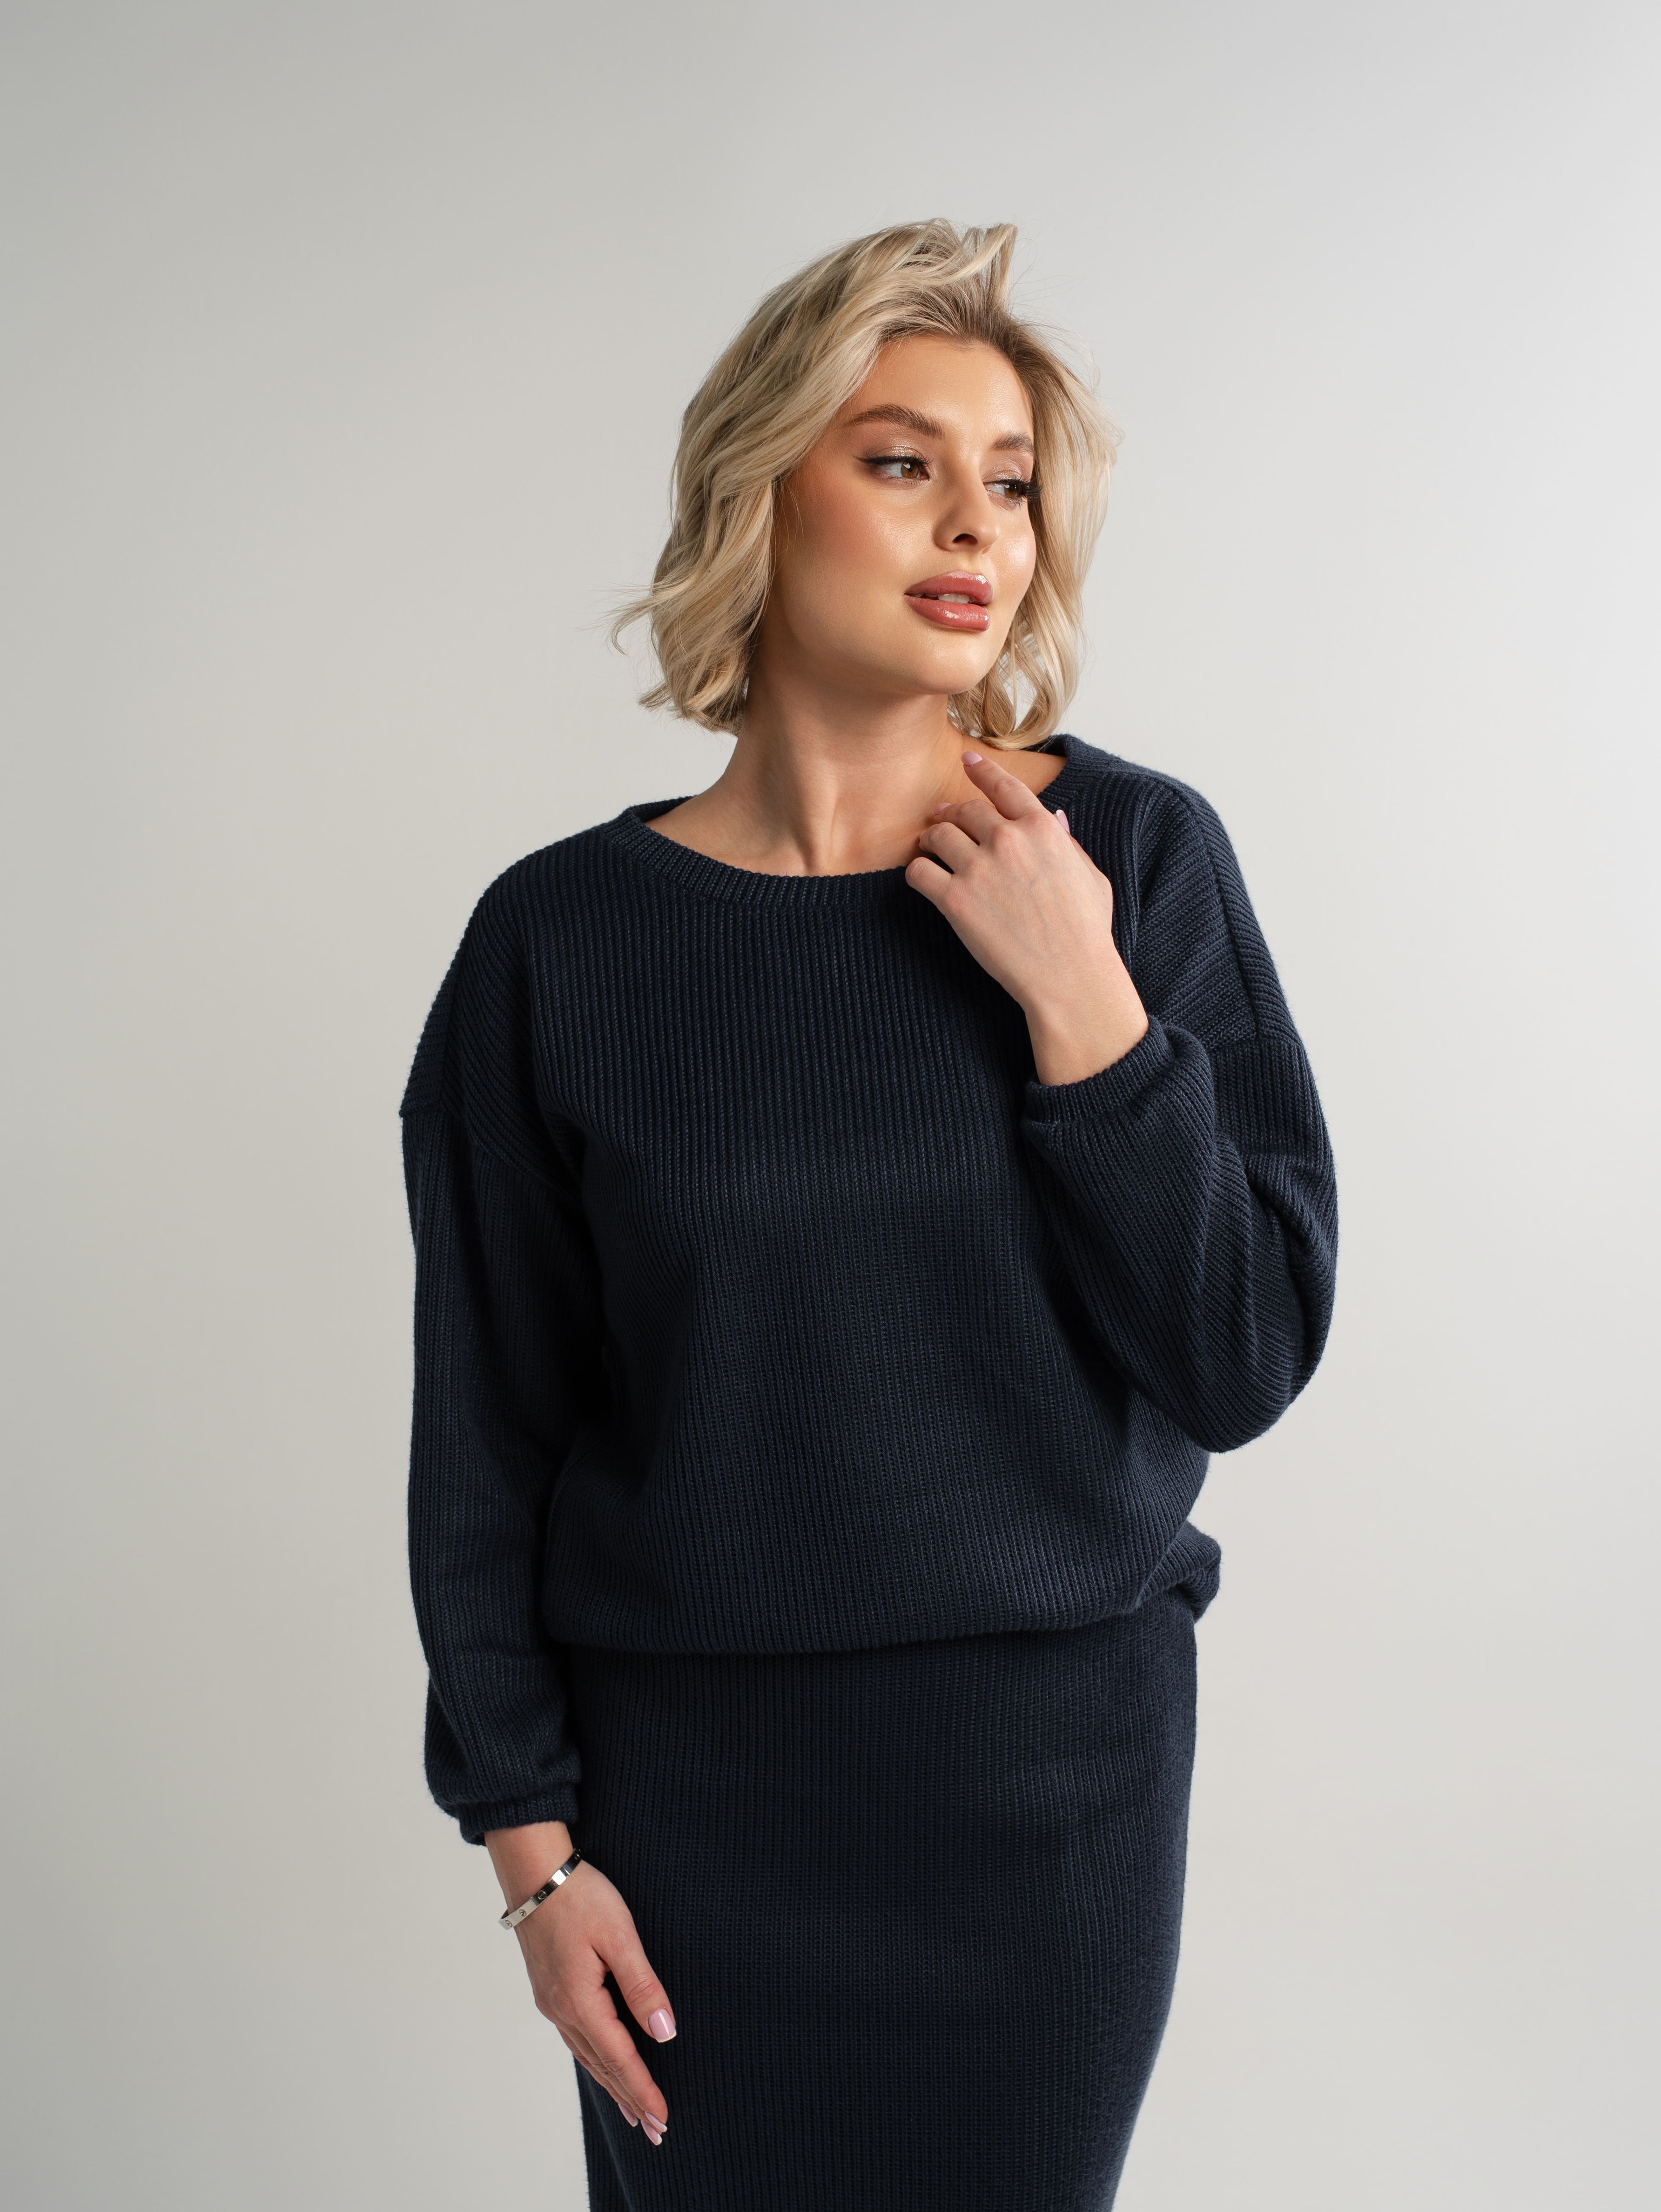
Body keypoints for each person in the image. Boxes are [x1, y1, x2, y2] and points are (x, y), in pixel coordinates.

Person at [400, 219, 1338, 2209]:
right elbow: (487, 1433)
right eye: (903, 461)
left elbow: (1243, 1351)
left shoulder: (1131, 858)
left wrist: (1080, 1003)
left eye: (1011, 481)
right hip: (681, 1822)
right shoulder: (558, 942)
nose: (974, 523)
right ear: (761, 488)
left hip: (1049, 1804)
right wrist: (531, 1856)